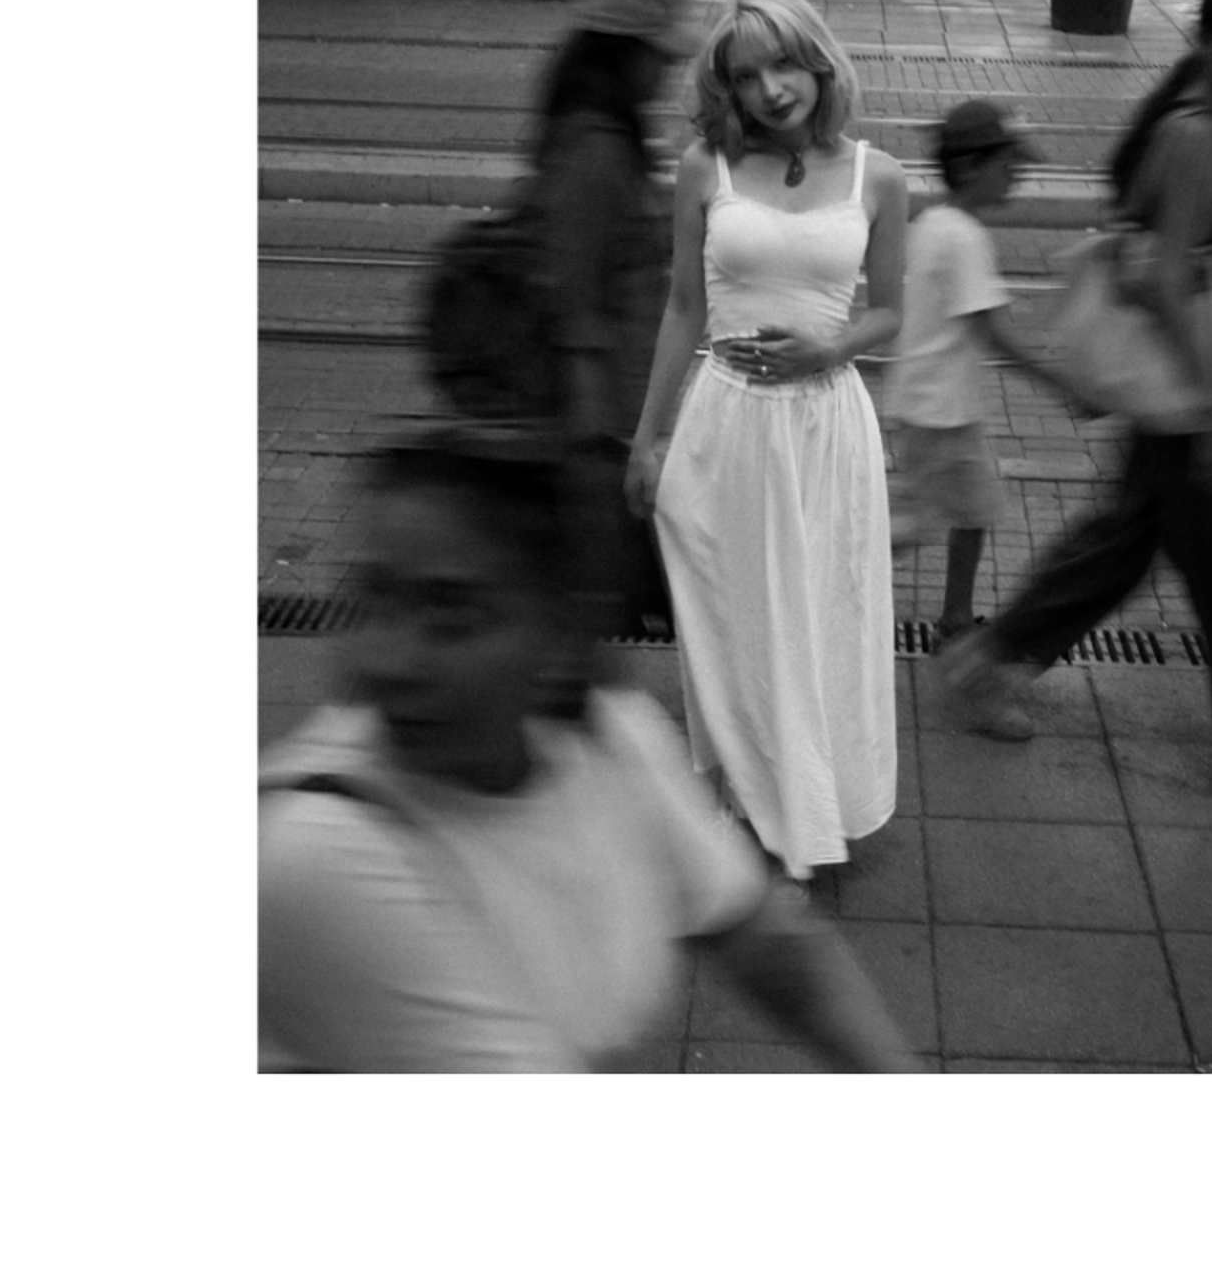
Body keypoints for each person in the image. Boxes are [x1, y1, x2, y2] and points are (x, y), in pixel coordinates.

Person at [258, 441, 918, 1072]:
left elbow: (772, 950)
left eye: (452, 617)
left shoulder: (610, 736)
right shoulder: (317, 853)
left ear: (561, 637)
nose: (384, 660)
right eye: (374, 597)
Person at [938, 0, 1212, 783]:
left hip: (1180, 396)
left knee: (1126, 548)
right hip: (1193, 397)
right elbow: (1164, 277)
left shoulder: (1204, 123)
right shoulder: (1197, 135)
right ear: (1206, 43)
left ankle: (986, 659)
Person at [625, 0, 910, 880]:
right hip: (725, 423)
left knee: (822, 614)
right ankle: (743, 789)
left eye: (785, 64)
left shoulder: (880, 176)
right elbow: (682, 307)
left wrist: (830, 346)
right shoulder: (705, 166)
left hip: (825, 429)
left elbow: (893, 316)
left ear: (819, 61)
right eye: (747, 76)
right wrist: (648, 436)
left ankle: (818, 800)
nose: (771, 90)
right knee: (728, 614)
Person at [888, 99, 1093, 691]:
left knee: (969, 513)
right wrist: (1067, 388)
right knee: (920, 521)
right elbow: (998, 335)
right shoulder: (964, 237)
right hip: (941, 413)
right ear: (973, 166)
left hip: (931, 404)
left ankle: (953, 619)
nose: (1018, 175)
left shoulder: (933, 223)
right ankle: (832, 592)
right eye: (1010, 164)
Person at [531, 0, 704, 647]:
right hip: (603, 425)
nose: (667, 73)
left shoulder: (612, 138)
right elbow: (573, 305)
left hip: (625, 420)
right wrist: (601, 445)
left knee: (634, 603)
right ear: (621, 55)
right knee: (631, 598)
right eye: (660, 59)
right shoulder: (594, 150)